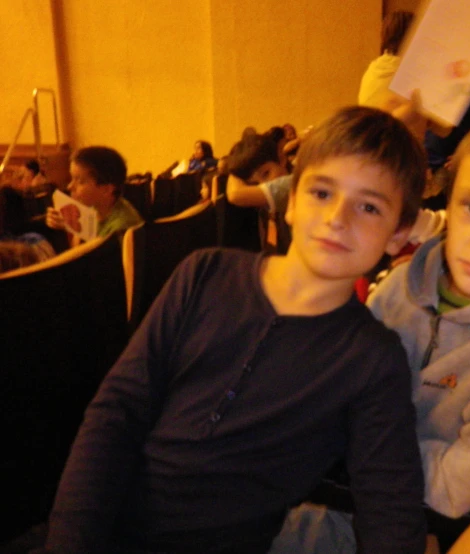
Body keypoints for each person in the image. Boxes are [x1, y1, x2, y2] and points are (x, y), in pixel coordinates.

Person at [37, 106, 428, 554]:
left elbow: (390, 508)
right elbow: (116, 413)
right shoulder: (204, 274)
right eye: (322, 193)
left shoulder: (372, 360)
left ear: (398, 235)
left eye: (369, 206)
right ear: (291, 201)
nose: (339, 217)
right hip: (99, 528)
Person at [269, 106, 470, 554]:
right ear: (448, 200)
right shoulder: (407, 282)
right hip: (327, 481)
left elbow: (456, 486)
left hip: (394, 520)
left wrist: (355, 448)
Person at [45, 146, 143, 245]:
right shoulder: (95, 209)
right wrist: (68, 225)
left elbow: (85, 256)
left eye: (80, 181)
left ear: (106, 189)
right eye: (72, 178)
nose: (70, 186)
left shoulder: (121, 228)